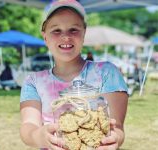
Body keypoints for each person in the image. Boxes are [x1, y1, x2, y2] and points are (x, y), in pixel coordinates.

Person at [20, 0, 128, 150]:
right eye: (56, 30)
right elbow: (28, 126)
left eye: (74, 30)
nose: (66, 37)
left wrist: (116, 138)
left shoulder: (107, 73)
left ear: (84, 33)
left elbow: (118, 128)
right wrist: (38, 136)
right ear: (45, 36)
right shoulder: (33, 82)